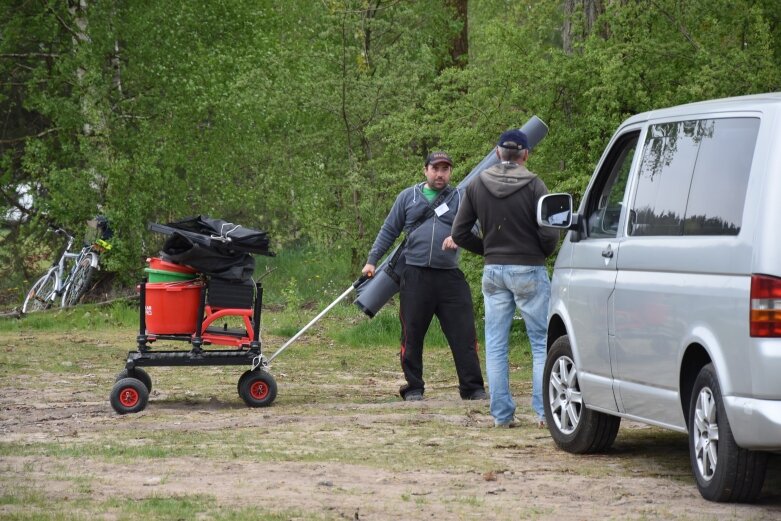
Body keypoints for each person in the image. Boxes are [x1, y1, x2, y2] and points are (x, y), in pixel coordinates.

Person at [451, 129, 559, 428]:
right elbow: (550, 233)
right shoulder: (536, 185)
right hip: (529, 269)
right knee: (541, 342)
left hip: (493, 271)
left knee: (496, 344)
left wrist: (488, 250)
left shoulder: (476, 184)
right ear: (525, 154)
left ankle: (501, 416)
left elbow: (459, 233)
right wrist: (540, 253)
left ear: (497, 152)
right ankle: (544, 413)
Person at [362, 151, 487, 402]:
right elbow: (389, 230)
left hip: (450, 277)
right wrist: (372, 261)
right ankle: (414, 387)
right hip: (415, 275)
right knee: (412, 333)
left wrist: (459, 237)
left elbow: (474, 227)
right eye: (435, 168)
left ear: (451, 172)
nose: (440, 174)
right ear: (425, 170)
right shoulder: (408, 197)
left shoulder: (461, 197)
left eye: (445, 169)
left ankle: (472, 388)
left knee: (464, 335)